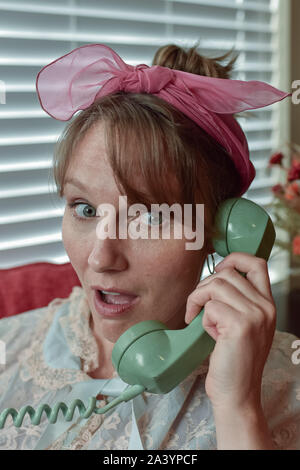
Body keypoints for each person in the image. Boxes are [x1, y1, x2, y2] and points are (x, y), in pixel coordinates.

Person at [0, 42, 299, 451]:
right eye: (85, 208)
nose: (100, 258)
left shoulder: (289, 386)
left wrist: (238, 409)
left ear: (219, 230)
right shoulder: (9, 350)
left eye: (151, 217)